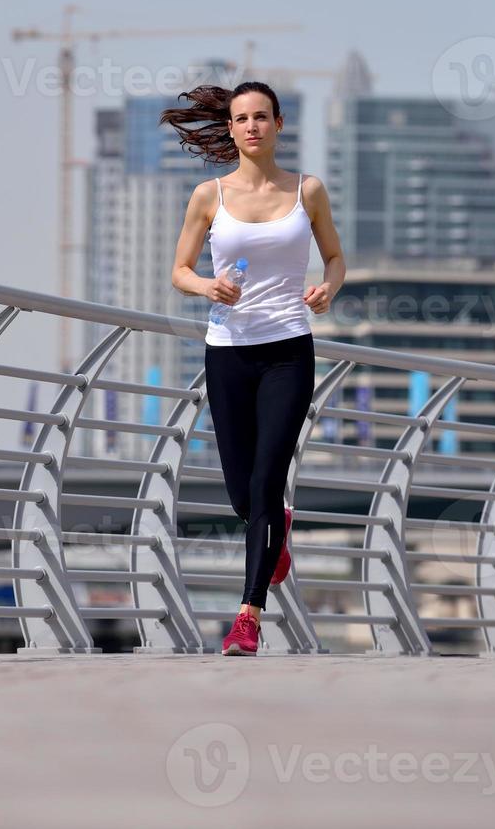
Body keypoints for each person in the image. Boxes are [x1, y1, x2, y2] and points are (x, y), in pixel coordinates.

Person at [166, 81, 346, 656]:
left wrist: (328, 288)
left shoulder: (307, 191)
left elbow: (336, 257)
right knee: (244, 496)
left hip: (289, 349)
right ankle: (277, 529)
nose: (251, 127)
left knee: (267, 481)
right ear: (231, 128)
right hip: (228, 352)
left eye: (261, 117)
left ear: (279, 124)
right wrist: (206, 286)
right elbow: (180, 269)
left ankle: (248, 616)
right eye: (242, 118)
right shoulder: (208, 195)